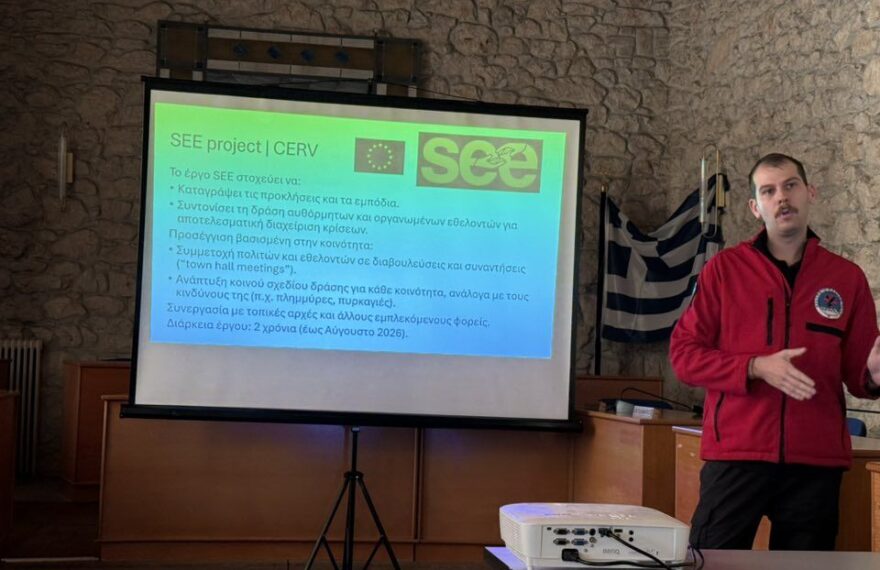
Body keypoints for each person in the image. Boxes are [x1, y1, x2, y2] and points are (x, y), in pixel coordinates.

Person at [669, 152, 880, 551]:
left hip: (814, 462)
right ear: (755, 207)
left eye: (790, 186)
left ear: (810, 192)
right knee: (711, 561)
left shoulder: (846, 278)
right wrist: (754, 367)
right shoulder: (724, 270)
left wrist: (874, 373)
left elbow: (860, 375)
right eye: (768, 191)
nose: (781, 197)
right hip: (737, 452)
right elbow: (684, 355)